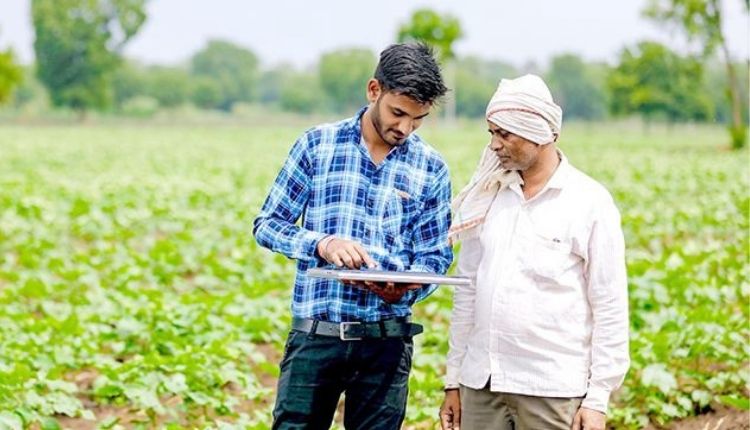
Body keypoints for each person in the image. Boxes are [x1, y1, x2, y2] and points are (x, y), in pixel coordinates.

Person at [253, 43, 452, 429]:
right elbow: (268, 224)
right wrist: (321, 244)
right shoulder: (317, 145)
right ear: (374, 90)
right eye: (398, 113)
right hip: (317, 335)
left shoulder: (431, 167)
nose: (405, 128)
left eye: (418, 119)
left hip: (387, 342)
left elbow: (435, 257)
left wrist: (406, 287)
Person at [439, 74, 629, 430]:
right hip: (482, 384)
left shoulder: (589, 202)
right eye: (491, 133)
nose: (494, 145)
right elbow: (467, 292)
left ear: (542, 134)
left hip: (551, 388)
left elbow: (610, 304)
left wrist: (598, 399)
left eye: (505, 134)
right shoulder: (489, 195)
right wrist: (454, 380)